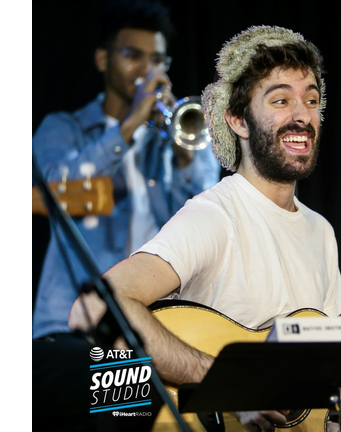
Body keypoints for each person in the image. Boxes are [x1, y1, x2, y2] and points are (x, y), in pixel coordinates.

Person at [68, 25, 341, 432]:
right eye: (281, 99)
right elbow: (93, 307)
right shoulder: (215, 215)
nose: (302, 115)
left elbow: (330, 380)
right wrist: (230, 386)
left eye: (311, 99)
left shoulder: (321, 231)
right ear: (237, 119)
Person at [32, 0, 221, 341]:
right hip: (71, 322)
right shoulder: (62, 128)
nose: (147, 71)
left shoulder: (175, 135)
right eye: (133, 56)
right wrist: (130, 124)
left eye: (157, 60)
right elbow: (58, 187)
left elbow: (208, 207)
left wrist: (181, 155)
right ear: (103, 59)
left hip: (154, 325)